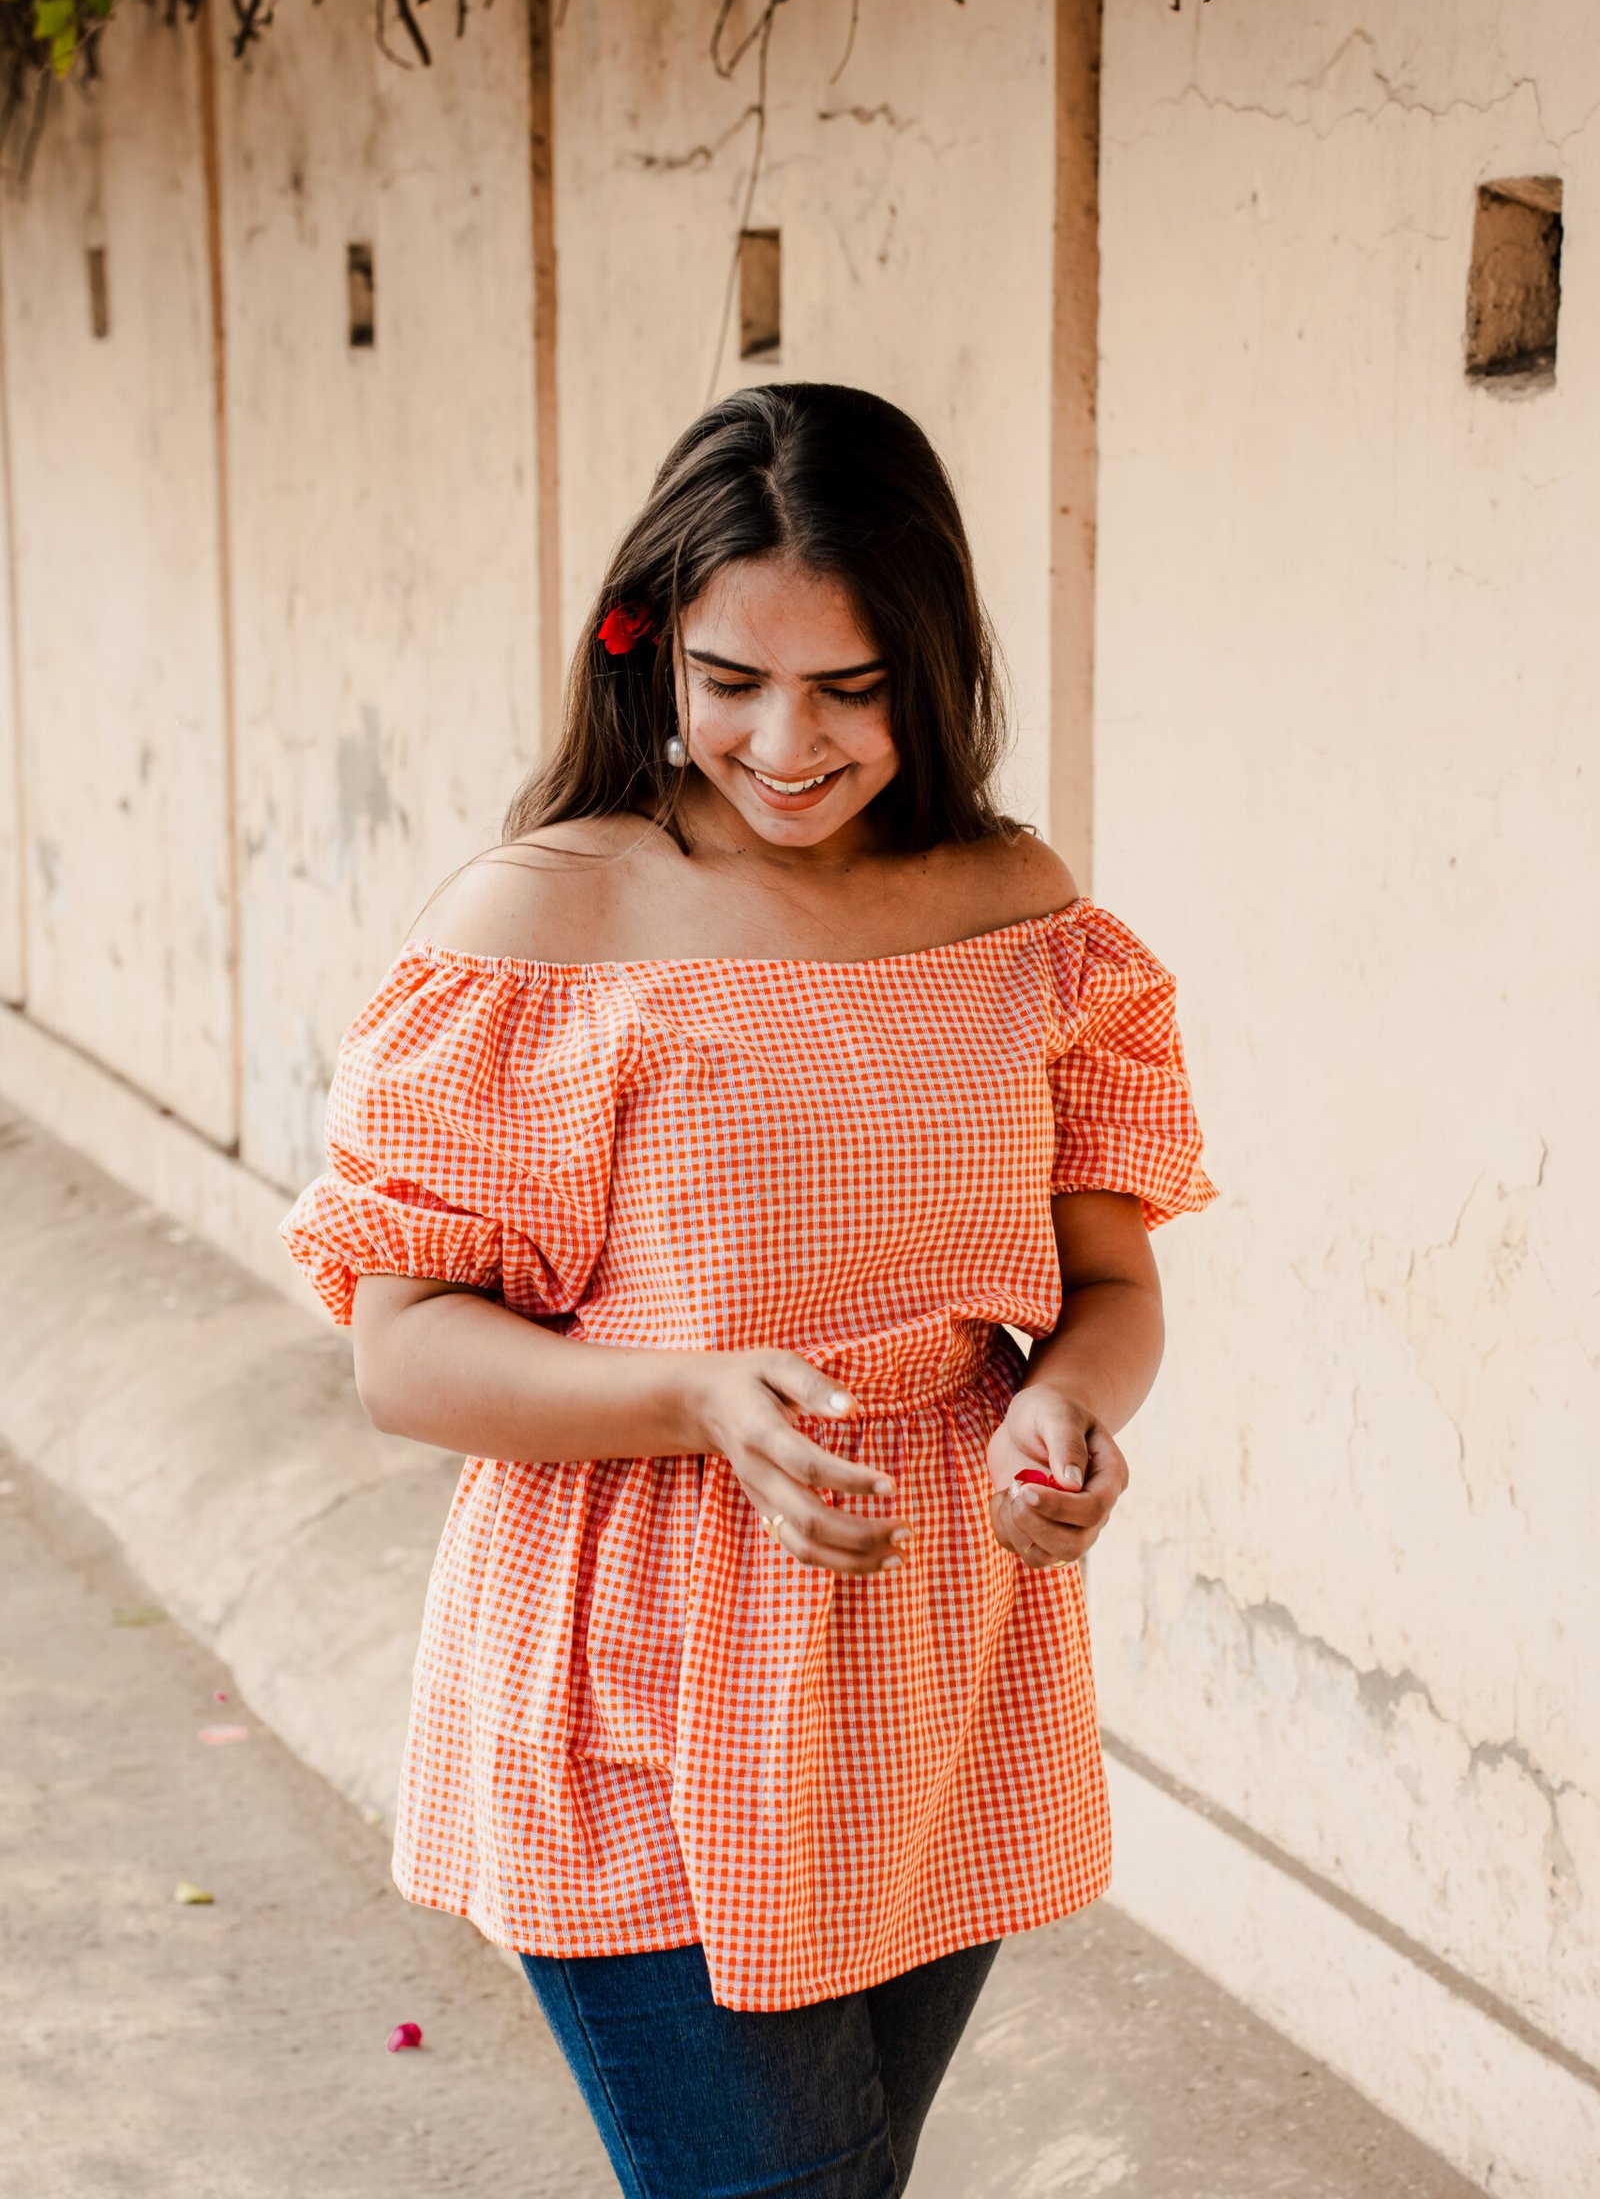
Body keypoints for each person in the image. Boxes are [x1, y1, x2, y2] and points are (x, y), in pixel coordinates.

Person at [279, 381, 1216, 2198]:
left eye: (850, 688)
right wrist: (695, 1393)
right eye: (731, 680)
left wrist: (1064, 1404)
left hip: (934, 1654)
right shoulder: (540, 922)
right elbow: (403, 1354)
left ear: (932, 666)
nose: (786, 744)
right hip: (637, 1677)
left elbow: (1107, 1279)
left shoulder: (1015, 911)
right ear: (650, 651)